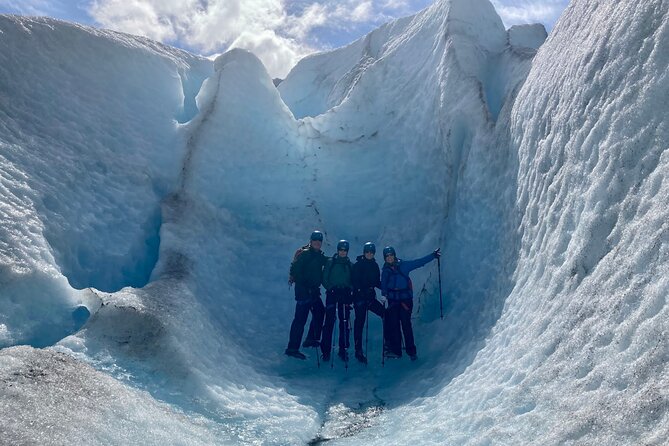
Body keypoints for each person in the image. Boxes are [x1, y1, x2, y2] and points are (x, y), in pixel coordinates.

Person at [381, 246, 440, 361]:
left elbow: (419, 262)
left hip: (405, 301)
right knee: (394, 326)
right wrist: (383, 294)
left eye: (390, 255)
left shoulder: (404, 265)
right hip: (393, 301)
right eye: (387, 256)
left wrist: (432, 256)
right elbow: (384, 284)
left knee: (406, 325)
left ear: (394, 255)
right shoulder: (385, 270)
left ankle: (411, 351)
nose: (389, 257)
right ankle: (397, 351)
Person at [285, 230, 327, 360]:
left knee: (320, 312)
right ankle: (292, 348)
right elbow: (297, 273)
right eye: (315, 241)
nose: (317, 243)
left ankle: (311, 339)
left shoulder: (318, 255)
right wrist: (305, 288)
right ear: (311, 241)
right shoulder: (304, 255)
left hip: (313, 292)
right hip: (304, 293)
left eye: (319, 241)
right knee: (300, 320)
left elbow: (326, 261)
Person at [351, 242, 385, 364]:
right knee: (359, 322)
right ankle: (358, 349)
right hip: (359, 299)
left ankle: (389, 343)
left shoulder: (375, 266)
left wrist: (386, 288)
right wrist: (361, 291)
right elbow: (354, 282)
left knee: (384, 314)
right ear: (364, 252)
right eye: (367, 252)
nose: (369, 254)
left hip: (369, 298)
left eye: (371, 252)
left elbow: (376, 281)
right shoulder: (358, 265)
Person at [320, 240, 353, 362]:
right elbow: (324, 278)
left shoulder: (350, 265)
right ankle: (326, 350)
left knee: (344, 322)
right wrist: (330, 288)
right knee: (329, 321)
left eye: (345, 250)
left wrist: (349, 290)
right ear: (338, 250)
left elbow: (353, 281)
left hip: (344, 295)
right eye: (341, 250)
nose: (343, 252)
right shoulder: (331, 262)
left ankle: (343, 350)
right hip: (332, 294)